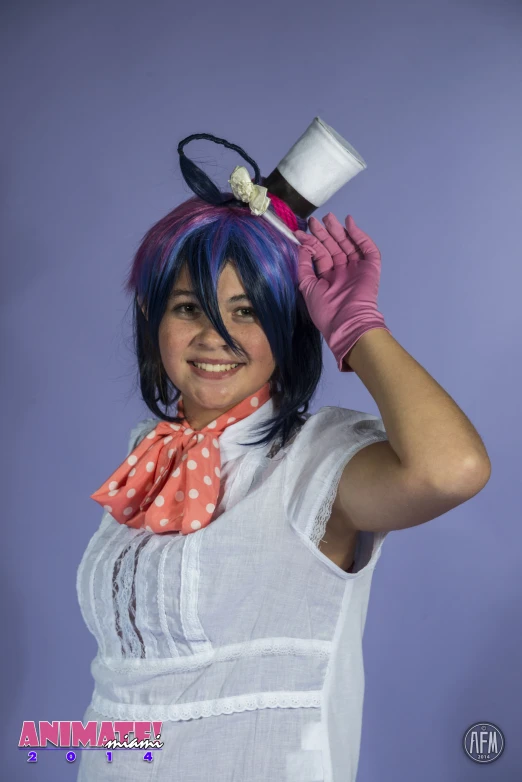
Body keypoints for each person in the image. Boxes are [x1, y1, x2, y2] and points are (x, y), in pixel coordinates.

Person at [76, 122, 491, 781]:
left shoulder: (318, 461)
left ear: (288, 330)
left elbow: (453, 469)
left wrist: (359, 329)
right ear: (154, 321)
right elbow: (122, 702)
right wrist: (46, 748)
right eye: (189, 306)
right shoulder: (146, 458)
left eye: (248, 311)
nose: (215, 336)